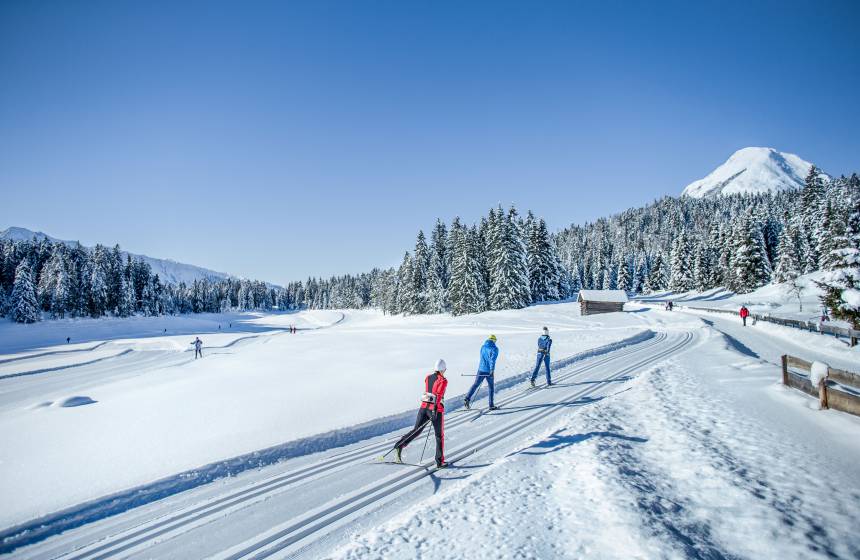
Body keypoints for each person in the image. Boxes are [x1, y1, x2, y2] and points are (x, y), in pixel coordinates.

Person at [392, 359, 449, 468]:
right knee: (439, 436)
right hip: (436, 410)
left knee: (416, 431)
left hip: (423, 408)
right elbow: (438, 396)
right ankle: (440, 461)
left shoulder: (428, 377)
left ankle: (399, 445)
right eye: (444, 370)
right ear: (442, 370)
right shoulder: (443, 380)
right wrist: (434, 410)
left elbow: (430, 391)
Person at [464, 335, 499, 411]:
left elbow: (482, 357)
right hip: (489, 371)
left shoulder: (483, 347)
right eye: (495, 341)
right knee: (491, 387)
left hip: (480, 369)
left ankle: (467, 398)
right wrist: (492, 370)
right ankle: (491, 405)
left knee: (475, 384)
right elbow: (492, 361)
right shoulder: (495, 349)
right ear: (493, 340)